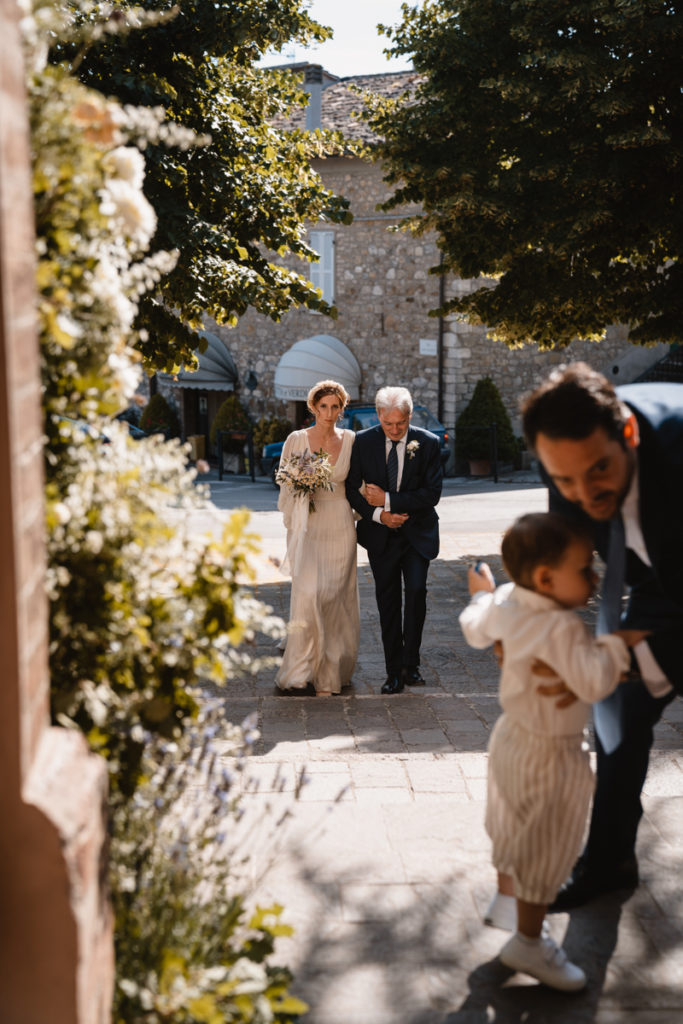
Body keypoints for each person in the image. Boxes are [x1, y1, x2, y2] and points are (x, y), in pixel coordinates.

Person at [460, 512, 647, 991]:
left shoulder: (506, 599)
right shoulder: (563, 627)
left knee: (510, 821)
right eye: (586, 569)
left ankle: (508, 900)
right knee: (546, 844)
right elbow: (592, 680)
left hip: (510, 739)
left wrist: (481, 593)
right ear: (546, 578)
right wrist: (616, 646)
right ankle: (528, 941)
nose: (596, 577)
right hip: (553, 753)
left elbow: (475, 629)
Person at [520, 362, 683, 910]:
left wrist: (626, 655)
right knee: (616, 706)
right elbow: (564, 558)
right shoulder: (564, 460)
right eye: (564, 480)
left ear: (628, 435)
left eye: (598, 472)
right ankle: (610, 862)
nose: (583, 493)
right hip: (656, 577)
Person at [345, 386, 443, 694]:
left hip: (418, 534)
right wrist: (379, 515)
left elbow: (432, 494)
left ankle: (411, 665)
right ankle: (393, 672)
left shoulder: (427, 443)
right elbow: (351, 489)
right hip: (380, 535)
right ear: (378, 416)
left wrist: (389, 500)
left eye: (401, 423)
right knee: (387, 601)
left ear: (410, 416)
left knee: (416, 593)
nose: (396, 430)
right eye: (389, 424)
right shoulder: (362, 442)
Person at [276, 380, 360, 696]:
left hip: (339, 522)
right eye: (323, 406)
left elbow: (358, 483)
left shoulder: (351, 440)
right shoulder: (297, 440)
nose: (329, 413)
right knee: (308, 593)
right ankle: (299, 671)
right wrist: (301, 488)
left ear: (342, 408)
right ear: (313, 407)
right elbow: (284, 481)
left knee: (334, 597)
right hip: (307, 523)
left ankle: (332, 670)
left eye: (335, 406)